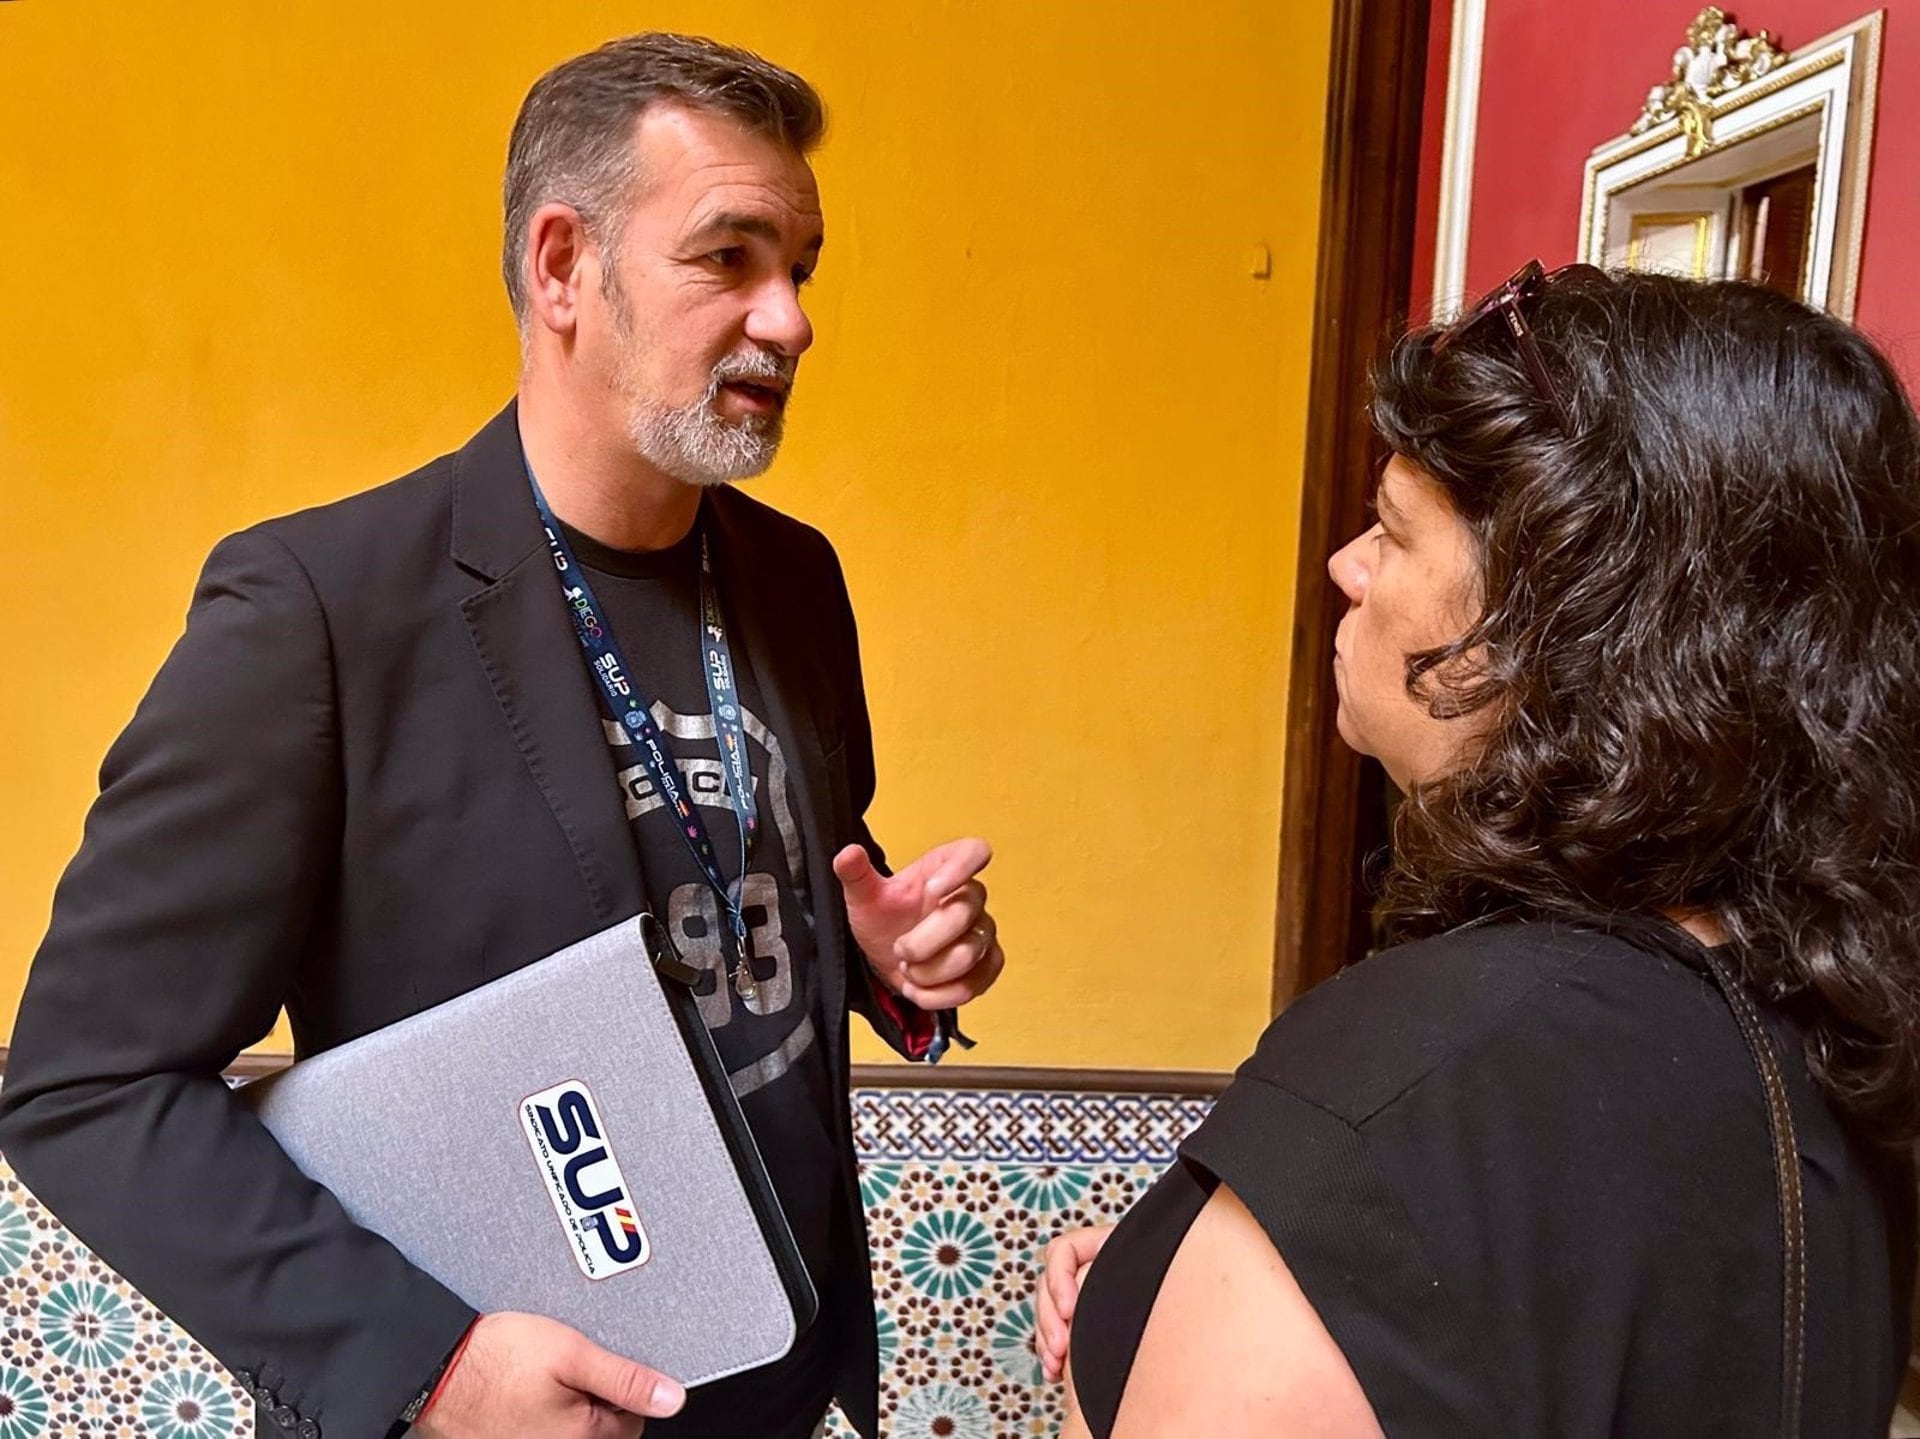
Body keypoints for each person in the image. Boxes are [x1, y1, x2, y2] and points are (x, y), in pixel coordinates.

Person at [0, 32, 1006, 1439]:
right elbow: (86, 1084)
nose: (790, 320)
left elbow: (735, 876)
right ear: (559, 268)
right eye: (730, 257)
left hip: (776, 1384)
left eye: (804, 268)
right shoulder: (318, 611)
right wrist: (429, 1366)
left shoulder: (796, 579)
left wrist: (886, 961)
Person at [1036, 265, 1919, 1437]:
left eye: (1393, 531)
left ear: (1557, 621)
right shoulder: (1829, 1021)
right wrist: (1177, 1287)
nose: (1348, 567)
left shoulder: (1427, 1061)